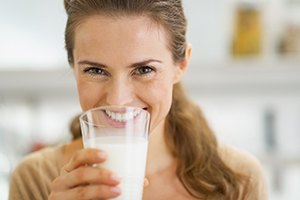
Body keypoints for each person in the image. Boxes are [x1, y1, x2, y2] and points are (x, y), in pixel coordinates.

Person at [9, 0, 268, 199]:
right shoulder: (36, 180)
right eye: (95, 70)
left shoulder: (239, 179)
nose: (118, 99)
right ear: (73, 66)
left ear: (182, 63)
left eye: (144, 70)